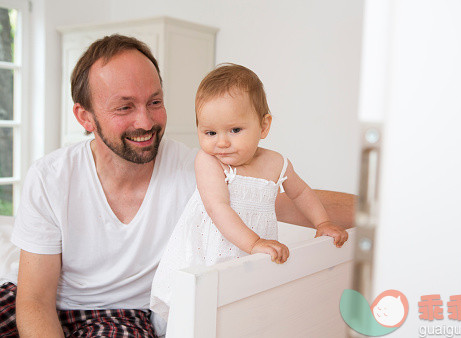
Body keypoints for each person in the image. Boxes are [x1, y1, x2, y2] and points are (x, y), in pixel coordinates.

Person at [0, 35, 355, 337]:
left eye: (155, 102)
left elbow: (279, 200)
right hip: (36, 301)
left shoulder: (197, 170)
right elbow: (33, 301)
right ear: (85, 116)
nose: (146, 121)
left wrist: (385, 207)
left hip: (120, 314)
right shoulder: (51, 176)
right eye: (125, 107)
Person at [150, 64, 349, 326]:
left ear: (263, 126)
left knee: (247, 310)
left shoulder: (276, 162)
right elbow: (218, 208)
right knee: (196, 315)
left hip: (253, 251)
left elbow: (301, 193)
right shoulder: (209, 162)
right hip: (207, 255)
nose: (221, 142)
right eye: (210, 132)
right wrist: (254, 243)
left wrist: (321, 222)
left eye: (234, 130)